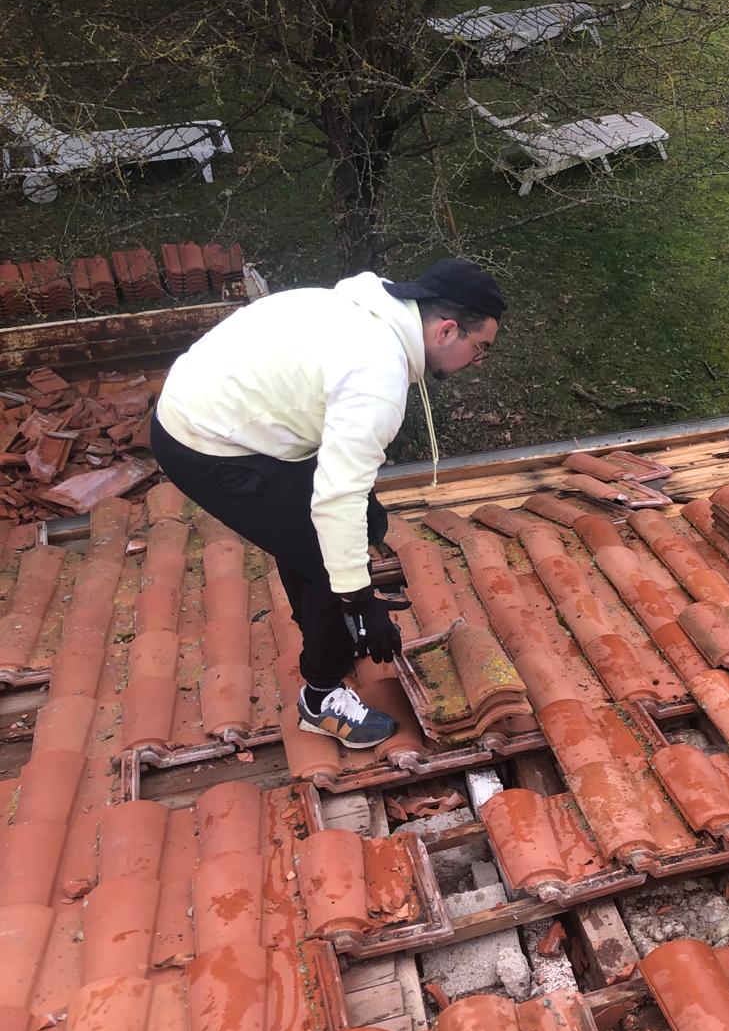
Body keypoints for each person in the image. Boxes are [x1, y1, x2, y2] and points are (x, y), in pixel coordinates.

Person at [152, 258, 505, 748]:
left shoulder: (365, 309)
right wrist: (360, 603)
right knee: (326, 557)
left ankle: (332, 611)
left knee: (361, 522)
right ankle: (321, 697)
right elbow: (334, 502)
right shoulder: (376, 379)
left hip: (223, 411)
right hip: (207, 446)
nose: (477, 361)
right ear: (446, 330)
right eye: (479, 348)